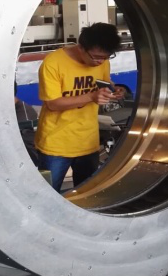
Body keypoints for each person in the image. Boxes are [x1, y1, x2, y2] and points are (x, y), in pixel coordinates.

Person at [34, 22, 125, 192]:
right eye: (96, 57)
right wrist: (91, 96)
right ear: (81, 47)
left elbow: (104, 82)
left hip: (88, 142)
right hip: (56, 144)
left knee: (87, 196)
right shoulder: (53, 63)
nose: (100, 62)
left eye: (106, 57)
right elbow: (52, 104)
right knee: (47, 195)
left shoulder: (102, 62)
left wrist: (114, 89)